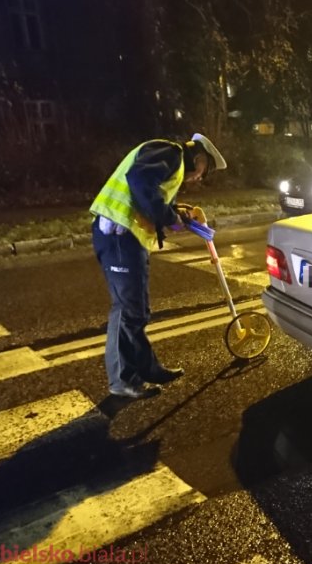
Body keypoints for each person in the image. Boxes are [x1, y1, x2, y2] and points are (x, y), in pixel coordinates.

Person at [90, 133, 227, 398]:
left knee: (136, 310)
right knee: (129, 312)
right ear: (199, 157)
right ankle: (123, 380)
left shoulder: (170, 167)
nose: (200, 177)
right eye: (204, 171)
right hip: (119, 235)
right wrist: (168, 216)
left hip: (127, 238)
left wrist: (177, 215)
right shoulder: (170, 153)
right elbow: (139, 181)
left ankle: (147, 369)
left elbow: (154, 195)